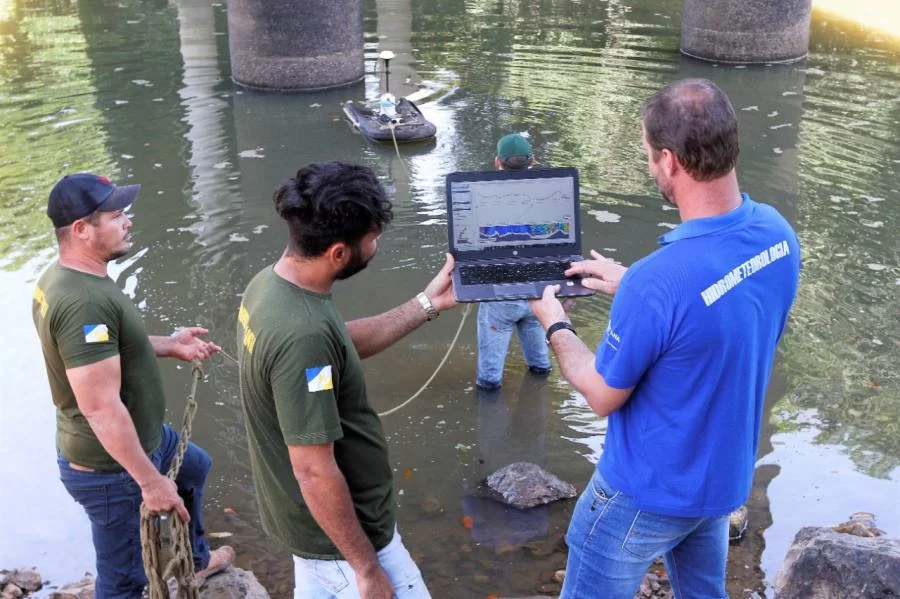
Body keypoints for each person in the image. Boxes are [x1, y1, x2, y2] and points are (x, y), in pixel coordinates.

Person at [530, 79, 801, 598]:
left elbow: (601, 395)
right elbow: (725, 317)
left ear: (670, 161)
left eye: (650, 154)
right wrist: (630, 283)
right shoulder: (777, 236)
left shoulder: (660, 281)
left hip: (643, 495)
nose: (651, 164)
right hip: (721, 484)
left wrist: (554, 321)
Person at [236, 162, 456, 599]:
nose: (376, 246)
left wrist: (429, 303)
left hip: (312, 529)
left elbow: (338, 342)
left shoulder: (272, 285)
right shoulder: (302, 334)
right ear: (338, 253)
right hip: (343, 540)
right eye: (372, 239)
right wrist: (367, 570)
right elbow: (313, 470)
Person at [32, 173, 234, 598]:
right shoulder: (82, 302)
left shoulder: (74, 277)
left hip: (142, 440)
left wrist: (168, 345)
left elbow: (108, 347)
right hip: (110, 468)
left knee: (193, 468)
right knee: (124, 580)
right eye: (116, 214)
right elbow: (101, 407)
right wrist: (148, 482)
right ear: (82, 230)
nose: (128, 221)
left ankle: (194, 563)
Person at [476, 133, 552, 390]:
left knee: (489, 380)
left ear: (497, 162)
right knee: (541, 366)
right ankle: (538, 413)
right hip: (540, 293)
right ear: (533, 162)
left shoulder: (484, 199)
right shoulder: (551, 197)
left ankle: (488, 422)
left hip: (500, 295)